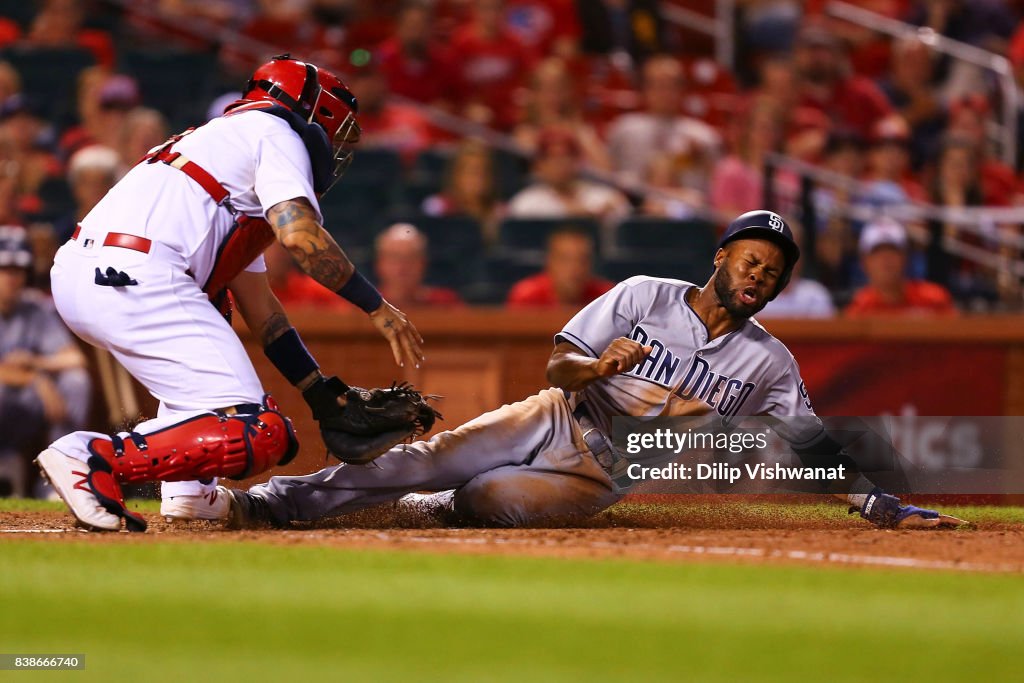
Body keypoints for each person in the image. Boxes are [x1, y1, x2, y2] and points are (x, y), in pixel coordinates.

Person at [218, 210, 964, 530]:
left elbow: (810, 443)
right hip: (555, 412)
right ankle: (274, 503)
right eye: (751, 262)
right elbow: (557, 363)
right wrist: (594, 362)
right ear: (721, 257)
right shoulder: (644, 294)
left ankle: (425, 509)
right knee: (427, 458)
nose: (760, 277)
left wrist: (878, 501)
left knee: (485, 500)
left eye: (772, 273)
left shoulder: (769, 361)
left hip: (603, 473)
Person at [35, 55, 425, 532]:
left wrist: (318, 392)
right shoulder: (276, 132)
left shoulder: (221, 147)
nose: (337, 148)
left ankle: (191, 494)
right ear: (313, 112)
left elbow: (264, 313)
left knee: (213, 362)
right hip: (137, 274)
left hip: (97, 270)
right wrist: (375, 306)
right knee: (259, 430)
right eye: (336, 129)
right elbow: (300, 236)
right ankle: (95, 457)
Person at [0, 226, 90, 497]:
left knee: (76, 382)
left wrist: (35, 362)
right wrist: (35, 379)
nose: (12, 278)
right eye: (5, 269)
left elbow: (75, 359)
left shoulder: (34, 308)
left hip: (28, 405)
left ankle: (59, 473)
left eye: (18, 271)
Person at [605, 54, 721, 191]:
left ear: (682, 88)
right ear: (644, 88)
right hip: (632, 206)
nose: (665, 92)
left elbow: (719, 188)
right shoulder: (624, 129)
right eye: (658, 84)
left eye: (672, 84)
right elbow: (606, 174)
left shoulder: (703, 135)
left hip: (688, 206)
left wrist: (703, 160)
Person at [506, 128, 629, 225]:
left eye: (567, 157)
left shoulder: (603, 197)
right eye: (553, 158)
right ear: (539, 164)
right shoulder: (526, 203)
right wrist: (583, 215)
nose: (561, 164)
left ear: (577, 161)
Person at [845, 217, 957, 317]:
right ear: (864, 261)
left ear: (906, 257)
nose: (886, 257)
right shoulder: (859, 311)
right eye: (877, 251)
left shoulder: (934, 300)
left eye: (893, 249)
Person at [506, 225, 613, 308]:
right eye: (565, 260)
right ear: (549, 261)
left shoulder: (607, 298)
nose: (575, 268)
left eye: (582, 260)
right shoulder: (526, 296)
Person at [373, 223, 463, 309]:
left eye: (411, 258)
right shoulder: (364, 304)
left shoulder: (446, 303)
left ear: (423, 263)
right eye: (394, 257)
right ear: (379, 263)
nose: (402, 267)